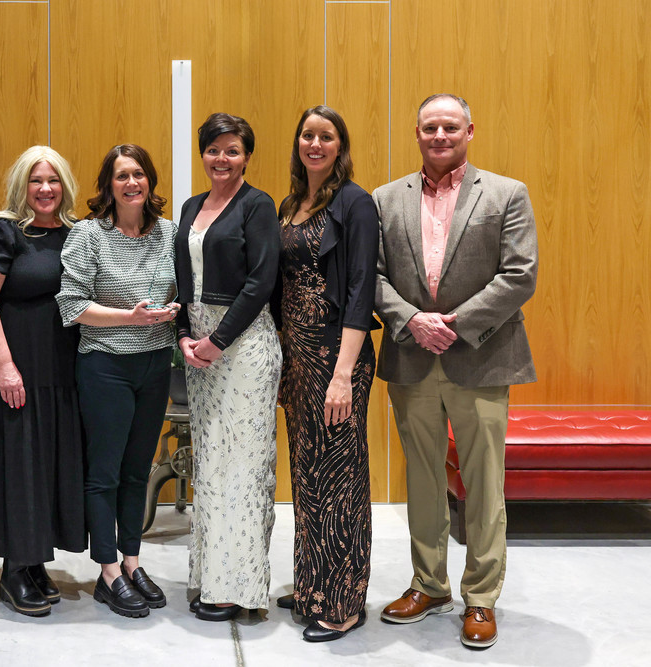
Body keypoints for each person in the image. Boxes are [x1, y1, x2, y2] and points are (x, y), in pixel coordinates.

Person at [374, 94, 538, 649]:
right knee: (421, 479)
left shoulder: (506, 194)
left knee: (484, 483)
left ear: (470, 130)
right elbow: (369, 276)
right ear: (416, 133)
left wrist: (455, 323)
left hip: (482, 356)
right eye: (429, 127)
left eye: (449, 126)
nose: (439, 135)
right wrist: (413, 320)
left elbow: (520, 275)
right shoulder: (385, 198)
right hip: (412, 358)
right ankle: (428, 584)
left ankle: (482, 598)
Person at [56, 144, 179, 619]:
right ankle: (107, 571)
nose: (132, 183)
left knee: (137, 470)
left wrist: (174, 314)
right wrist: (130, 318)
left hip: (155, 365)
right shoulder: (88, 235)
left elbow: (186, 288)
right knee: (104, 472)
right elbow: (72, 306)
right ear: (109, 184)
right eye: (122, 175)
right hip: (105, 365)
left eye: (140, 175)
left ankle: (132, 561)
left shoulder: (169, 233)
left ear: (151, 182)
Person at [273, 106, 380, 642]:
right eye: (307, 135)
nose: (315, 144)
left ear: (340, 145)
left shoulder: (354, 203)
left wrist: (341, 375)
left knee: (341, 480)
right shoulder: (292, 204)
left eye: (326, 136)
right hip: (297, 362)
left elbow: (362, 287)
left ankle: (343, 602)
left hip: (338, 359)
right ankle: (314, 583)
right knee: (308, 476)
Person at [0, 146, 85, 617]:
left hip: (64, 368)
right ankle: (14, 570)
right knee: (19, 461)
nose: (45, 189)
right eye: (36, 180)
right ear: (22, 186)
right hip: (19, 369)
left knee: (50, 463)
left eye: (53, 180)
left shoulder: (78, 234)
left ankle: (36, 559)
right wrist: (4, 366)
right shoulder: (4, 231)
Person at [175, 113, 282, 622]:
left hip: (243, 348)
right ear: (203, 154)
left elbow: (261, 282)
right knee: (212, 467)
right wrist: (183, 336)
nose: (222, 158)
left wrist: (217, 340)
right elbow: (181, 279)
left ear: (246, 156)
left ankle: (239, 588)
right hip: (199, 348)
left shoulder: (257, 206)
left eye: (232, 149)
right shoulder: (191, 206)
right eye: (214, 149)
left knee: (243, 468)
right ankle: (210, 576)